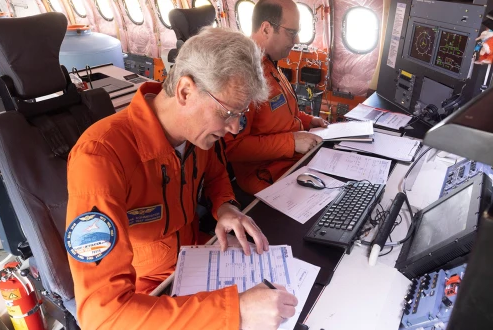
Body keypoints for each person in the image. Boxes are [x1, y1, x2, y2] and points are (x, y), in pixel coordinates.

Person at [65, 27, 298, 330]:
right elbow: (102, 316)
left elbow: (215, 175)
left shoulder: (198, 136)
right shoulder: (99, 158)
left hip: (197, 264)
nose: (235, 128)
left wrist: (226, 207)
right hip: (148, 297)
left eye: (241, 114)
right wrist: (234, 311)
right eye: (229, 112)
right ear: (186, 91)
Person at [223, 0, 329, 195]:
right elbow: (233, 148)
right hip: (267, 175)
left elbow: (282, 117)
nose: (296, 40)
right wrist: (292, 143)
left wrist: (310, 121)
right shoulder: (243, 73)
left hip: (293, 161)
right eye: (291, 32)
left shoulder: (272, 65)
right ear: (266, 29)